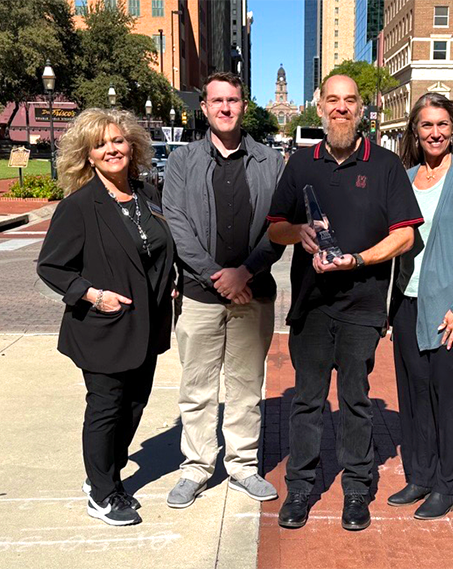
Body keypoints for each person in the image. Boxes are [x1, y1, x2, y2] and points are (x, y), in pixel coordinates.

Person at [267, 74, 423, 531]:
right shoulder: (300, 163)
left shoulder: (386, 165)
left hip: (363, 306)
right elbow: (275, 226)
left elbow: (405, 235)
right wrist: (299, 232)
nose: (340, 108)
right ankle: (300, 488)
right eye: (332, 100)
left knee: (356, 401)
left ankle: (357, 489)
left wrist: (356, 259)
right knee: (307, 402)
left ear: (361, 110)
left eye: (349, 101)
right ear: (320, 109)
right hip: (312, 306)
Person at [37, 108, 177, 526]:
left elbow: (155, 248)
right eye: (100, 145)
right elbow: (51, 267)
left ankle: (107, 476)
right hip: (102, 328)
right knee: (106, 408)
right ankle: (101, 494)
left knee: (134, 404)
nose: (111, 149)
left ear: (132, 145)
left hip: (147, 325)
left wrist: (169, 279)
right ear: (88, 156)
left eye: (117, 141)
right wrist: (94, 296)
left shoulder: (146, 194)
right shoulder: (80, 206)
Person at [162, 72, 284, 508]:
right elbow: (175, 223)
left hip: (254, 294)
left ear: (243, 106)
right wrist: (220, 276)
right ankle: (195, 468)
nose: (225, 107)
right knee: (197, 389)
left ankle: (242, 467)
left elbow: (280, 228)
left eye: (233, 100)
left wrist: (245, 273)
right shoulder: (181, 162)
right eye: (217, 101)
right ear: (205, 107)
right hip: (199, 295)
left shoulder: (271, 162)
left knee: (247, 386)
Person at [387, 92, 453, 520]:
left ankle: (449, 485)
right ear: (415, 130)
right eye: (427, 125)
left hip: (451, 312)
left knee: (452, 402)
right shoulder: (405, 177)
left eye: (442, 125)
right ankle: (421, 476)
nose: (434, 133)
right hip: (408, 307)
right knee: (414, 398)